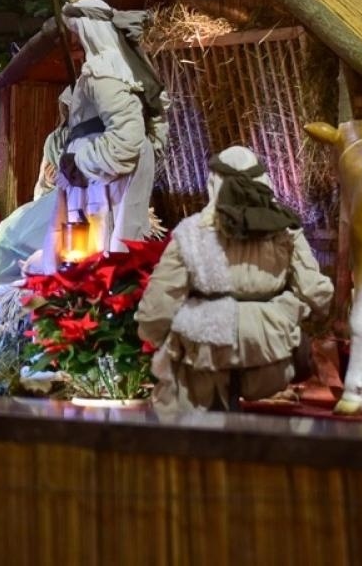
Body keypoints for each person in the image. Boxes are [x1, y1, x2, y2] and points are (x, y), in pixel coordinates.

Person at [0, 0, 168, 283]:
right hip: (98, 178)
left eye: (76, 33)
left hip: (100, 179)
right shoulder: (119, 71)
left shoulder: (102, 74)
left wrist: (80, 162)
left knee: (96, 245)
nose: (73, 42)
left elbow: (127, 138)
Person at [136, 146, 333, 413]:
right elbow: (315, 292)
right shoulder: (286, 231)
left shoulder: (193, 232)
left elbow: (159, 303)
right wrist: (293, 315)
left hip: (206, 352)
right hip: (270, 352)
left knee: (179, 392)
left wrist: (156, 336)